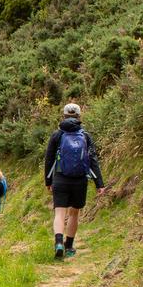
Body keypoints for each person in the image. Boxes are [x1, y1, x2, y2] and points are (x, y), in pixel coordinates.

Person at [44, 103, 105, 260]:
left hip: (60, 177)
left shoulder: (57, 135)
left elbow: (49, 159)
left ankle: (58, 243)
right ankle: (69, 246)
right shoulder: (85, 136)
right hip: (79, 180)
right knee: (74, 213)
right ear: (79, 117)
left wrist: (48, 180)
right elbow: (92, 160)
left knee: (59, 212)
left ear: (63, 116)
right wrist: (99, 183)